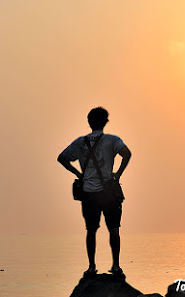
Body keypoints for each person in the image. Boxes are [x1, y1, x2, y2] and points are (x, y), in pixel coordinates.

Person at [58, 107, 131, 279]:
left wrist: (78, 174)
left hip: (89, 193)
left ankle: (91, 267)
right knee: (114, 230)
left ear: (89, 122)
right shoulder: (112, 140)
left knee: (91, 230)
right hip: (108, 191)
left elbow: (62, 158)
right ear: (105, 122)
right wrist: (118, 174)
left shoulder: (80, 142)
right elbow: (127, 154)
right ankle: (116, 266)